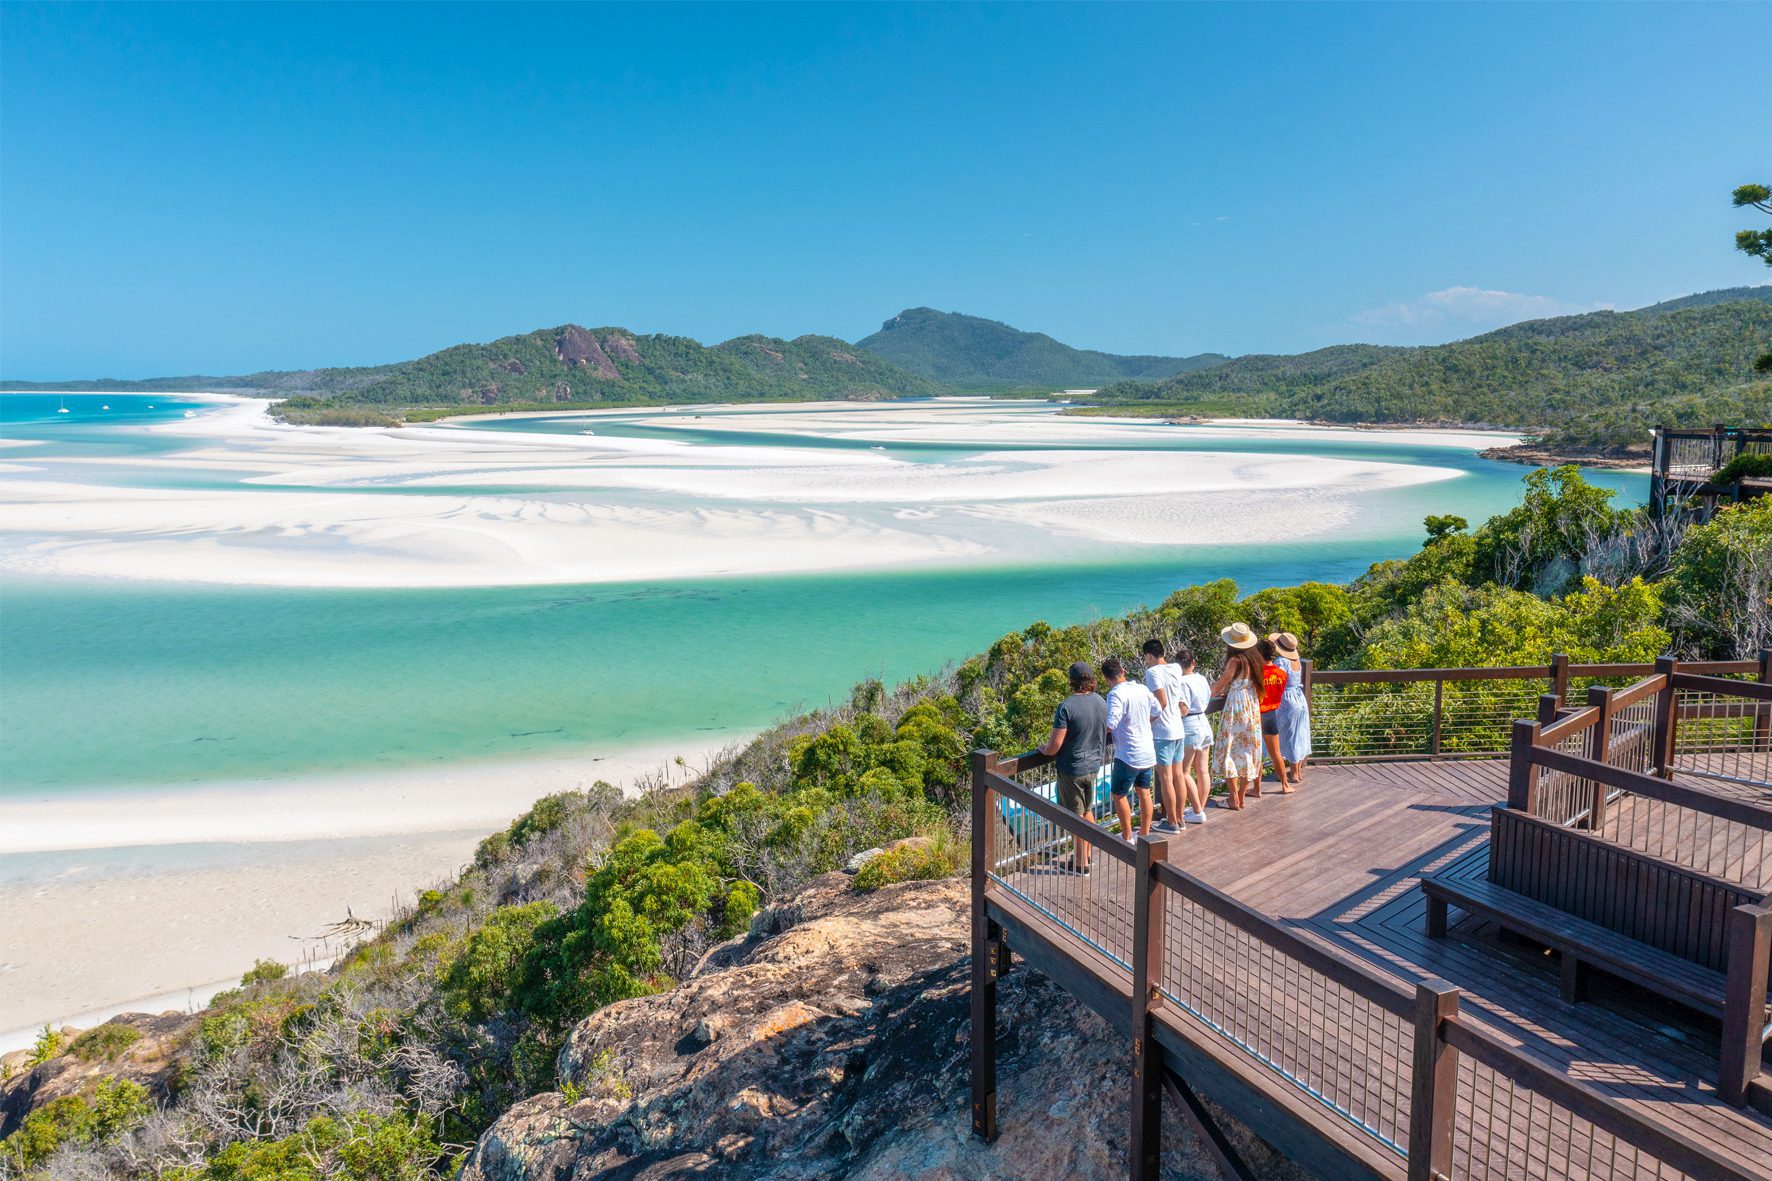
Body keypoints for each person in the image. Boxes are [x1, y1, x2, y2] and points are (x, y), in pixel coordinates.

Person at [1033, 661, 1109, 873]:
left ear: (1071, 682)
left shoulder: (1066, 707)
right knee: (1087, 810)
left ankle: (1080, 864)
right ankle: (1087, 856)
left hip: (1073, 768)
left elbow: (1054, 746)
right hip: (1094, 765)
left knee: (1074, 818)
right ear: (1091, 680)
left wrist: (1043, 748)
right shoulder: (1101, 701)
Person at [1102, 656, 1160, 841]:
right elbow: (1157, 710)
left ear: (1106, 678)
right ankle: (1144, 834)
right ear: (1123, 671)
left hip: (1128, 753)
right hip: (1147, 750)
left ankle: (1127, 836)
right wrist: (1143, 722)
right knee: (1144, 791)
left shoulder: (1115, 694)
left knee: (1118, 794)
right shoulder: (1142, 688)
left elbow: (1111, 723)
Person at [1210, 623, 1264, 809]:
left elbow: (1219, 685)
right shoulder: (1255, 660)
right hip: (1251, 706)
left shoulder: (1235, 661)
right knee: (1248, 751)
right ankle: (1241, 796)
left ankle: (1233, 798)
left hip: (1236, 708)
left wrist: (1203, 696)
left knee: (1230, 750)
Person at [1141, 638, 1186, 834]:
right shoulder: (1176, 667)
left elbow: (1161, 702)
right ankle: (1181, 818)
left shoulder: (1152, 672)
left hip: (1162, 731)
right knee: (1179, 776)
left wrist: (1146, 721)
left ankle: (1172, 822)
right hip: (1178, 728)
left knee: (1166, 778)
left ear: (1149, 655)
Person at [1172, 645, 1213, 824]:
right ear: (1193, 663)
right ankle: (1199, 809)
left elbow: (1183, 709)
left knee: (1183, 771)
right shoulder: (1201, 679)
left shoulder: (1181, 682)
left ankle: (1197, 811)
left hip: (1189, 725)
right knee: (1203, 770)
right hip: (1204, 722)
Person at [1270, 631, 1313, 785]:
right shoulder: (1296, 660)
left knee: (1287, 736)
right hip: (1299, 698)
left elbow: (1276, 680)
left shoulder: (1281, 661)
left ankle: (1293, 773)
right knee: (1298, 734)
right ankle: (1297, 771)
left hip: (1287, 700)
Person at [1256, 638, 1295, 794]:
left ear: (1259, 653)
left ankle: (1256, 788)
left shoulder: (1258, 674)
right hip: (1272, 714)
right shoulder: (1281, 674)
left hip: (1258, 714)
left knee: (1256, 753)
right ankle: (1285, 784)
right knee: (1276, 753)